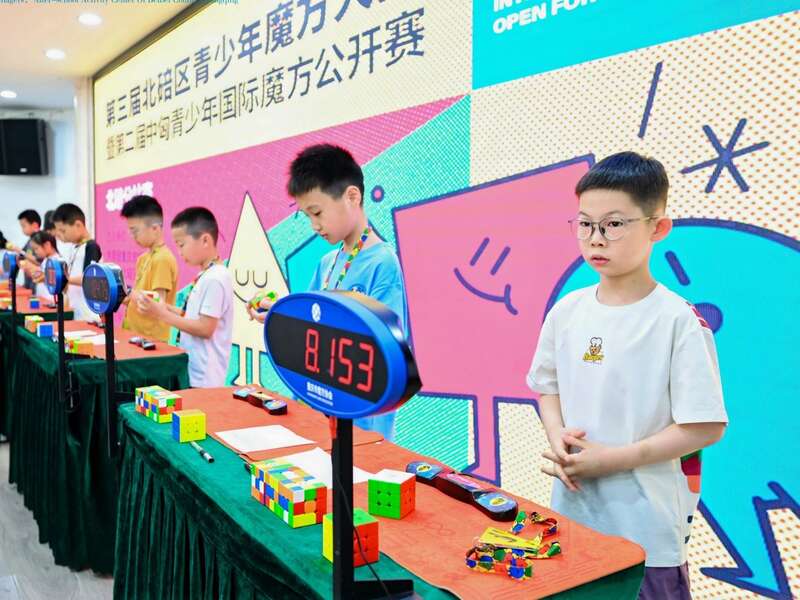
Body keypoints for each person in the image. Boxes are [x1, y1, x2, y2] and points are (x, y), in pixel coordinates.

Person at [527, 151, 728, 600]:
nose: (595, 239)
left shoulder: (677, 320)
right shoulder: (567, 311)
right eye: (585, 224)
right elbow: (546, 387)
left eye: (614, 224)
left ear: (658, 227)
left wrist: (613, 459)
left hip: (646, 533)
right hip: (573, 518)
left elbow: (705, 426)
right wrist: (557, 435)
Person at [248, 144, 409, 441]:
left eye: (317, 213)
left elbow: (386, 354)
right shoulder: (327, 263)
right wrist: (278, 313)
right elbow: (310, 323)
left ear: (352, 197)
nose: (314, 226)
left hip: (362, 427)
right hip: (322, 414)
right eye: (307, 216)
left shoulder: (382, 263)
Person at [136, 207, 233, 388]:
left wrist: (161, 314)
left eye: (181, 245)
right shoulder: (207, 275)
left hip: (204, 380)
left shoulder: (216, 278)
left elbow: (205, 328)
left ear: (205, 240)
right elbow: (191, 316)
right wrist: (164, 307)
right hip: (193, 372)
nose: (180, 252)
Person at [120, 195, 178, 342]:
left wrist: (129, 292)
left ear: (155, 228)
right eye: (130, 232)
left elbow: (156, 303)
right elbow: (138, 298)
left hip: (151, 342)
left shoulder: (162, 259)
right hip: (135, 336)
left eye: (135, 231)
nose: (132, 236)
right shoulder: (143, 258)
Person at [52, 203, 102, 321]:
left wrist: (64, 279)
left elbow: (89, 278)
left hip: (89, 314)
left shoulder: (91, 246)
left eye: (63, 230)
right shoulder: (74, 247)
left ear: (78, 225)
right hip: (76, 310)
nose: (61, 235)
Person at [27, 230, 60, 298]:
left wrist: (37, 270)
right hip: (43, 298)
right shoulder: (46, 260)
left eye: (36, 248)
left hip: (51, 300)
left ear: (47, 245)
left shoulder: (57, 261)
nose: (35, 252)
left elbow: (55, 280)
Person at [17, 209, 41, 290]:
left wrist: (17, 249)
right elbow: (21, 256)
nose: (22, 229)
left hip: (37, 285)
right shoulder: (30, 241)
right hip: (29, 285)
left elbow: (40, 261)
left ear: (34, 225)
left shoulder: (40, 240)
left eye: (24, 226)